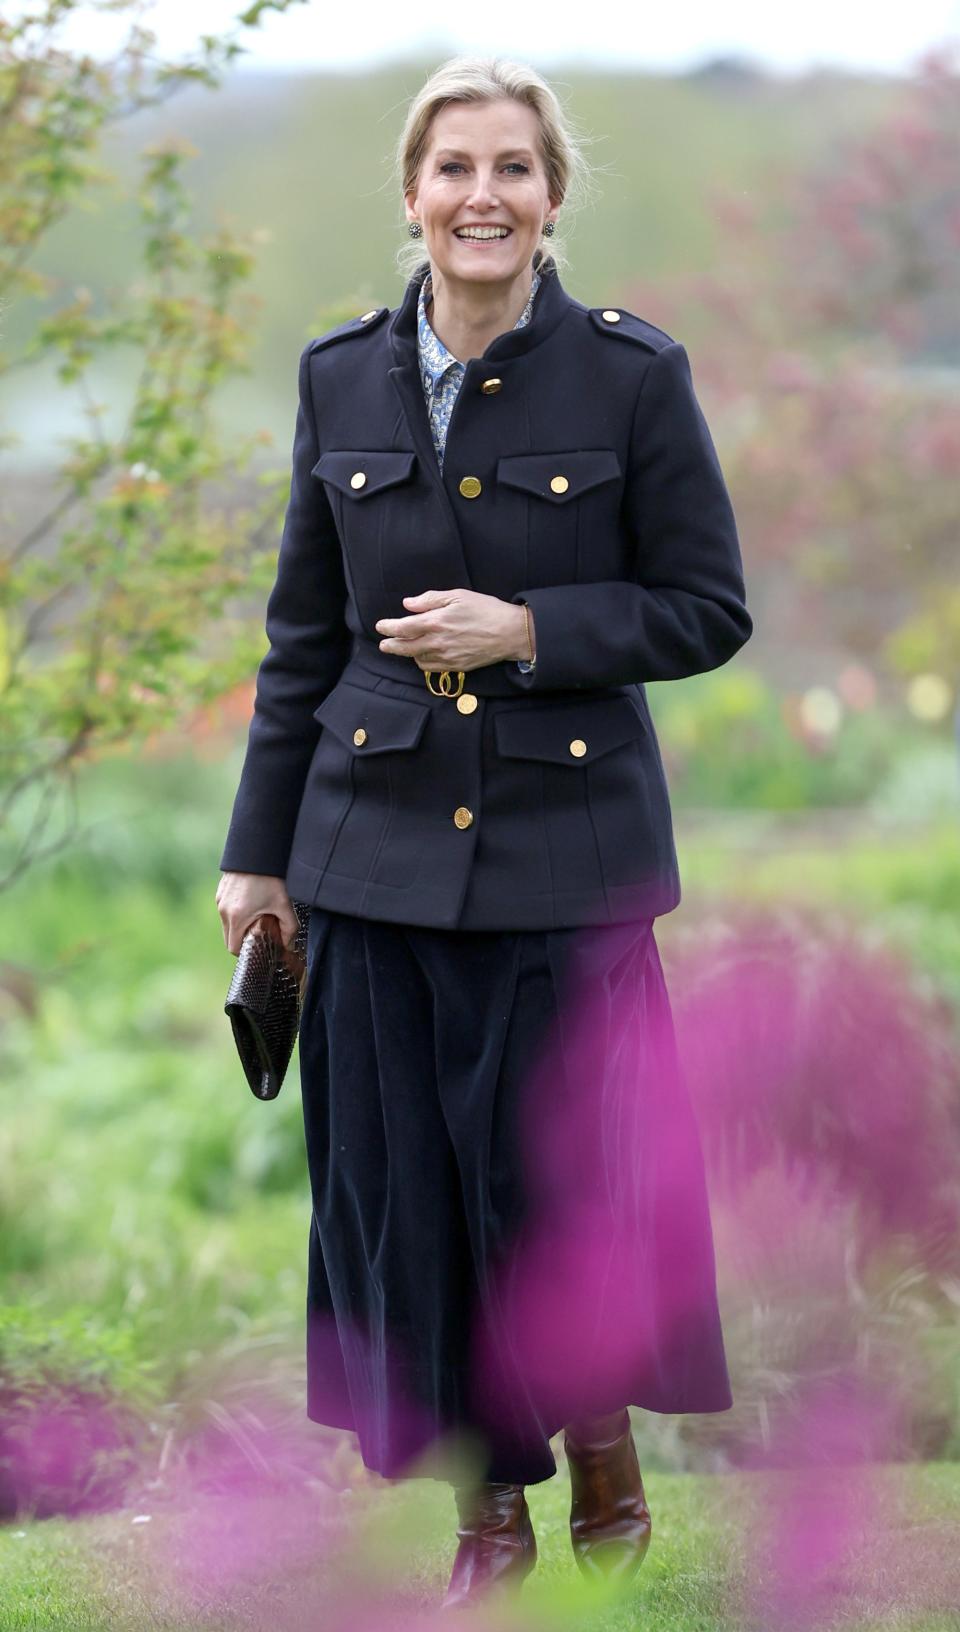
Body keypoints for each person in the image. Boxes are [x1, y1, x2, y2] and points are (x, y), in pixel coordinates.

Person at [216, 55, 752, 1612]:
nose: (483, 196)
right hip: (365, 851)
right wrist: (259, 860)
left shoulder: (632, 377)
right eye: (455, 168)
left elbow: (708, 608)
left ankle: (602, 1454)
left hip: (563, 860)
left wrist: (529, 625)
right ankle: (485, 1520)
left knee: (563, 1188)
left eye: (514, 168)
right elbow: (301, 642)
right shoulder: (340, 380)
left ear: (552, 196)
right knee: (412, 1199)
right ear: (411, 194)